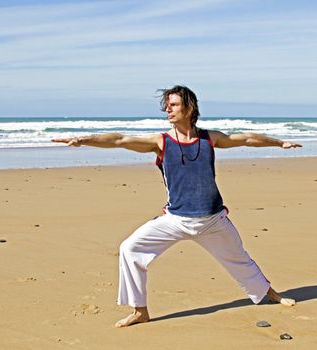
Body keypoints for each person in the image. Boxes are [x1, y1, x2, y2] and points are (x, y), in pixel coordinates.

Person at [52, 85, 302, 327]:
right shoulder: (160, 142)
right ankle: (140, 311)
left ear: (189, 107)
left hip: (213, 220)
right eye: (166, 106)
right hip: (175, 220)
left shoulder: (209, 138)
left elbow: (246, 138)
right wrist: (83, 139)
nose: (168, 110)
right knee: (130, 249)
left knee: (240, 260)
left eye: (173, 105)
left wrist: (279, 143)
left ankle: (271, 294)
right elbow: (119, 140)